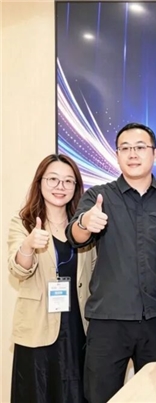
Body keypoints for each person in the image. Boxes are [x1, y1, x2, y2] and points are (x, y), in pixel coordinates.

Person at [65, 123, 156, 403]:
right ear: (117, 155)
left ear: (155, 153)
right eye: (125, 148)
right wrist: (86, 222)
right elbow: (75, 235)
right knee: (100, 397)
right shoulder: (98, 197)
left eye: (140, 147)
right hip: (108, 320)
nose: (133, 154)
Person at [8, 154, 95, 403]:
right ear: (40, 182)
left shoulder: (85, 226)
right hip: (37, 326)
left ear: (76, 187)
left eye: (68, 181)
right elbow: (18, 269)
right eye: (53, 179)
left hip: (78, 324)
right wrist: (28, 246)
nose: (60, 186)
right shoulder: (23, 222)